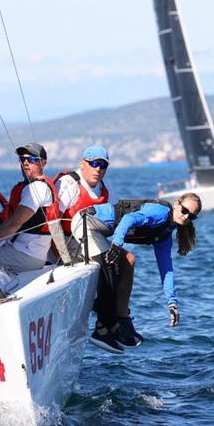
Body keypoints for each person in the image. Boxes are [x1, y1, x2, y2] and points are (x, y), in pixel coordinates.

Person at [81, 193, 202, 354]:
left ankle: (121, 320)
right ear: (177, 204)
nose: (186, 216)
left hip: (99, 232)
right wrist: (117, 244)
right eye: (184, 210)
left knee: (129, 261)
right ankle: (101, 330)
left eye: (191, 216)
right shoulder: (160, 213)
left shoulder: (165, 233)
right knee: (111, 266)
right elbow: (128, 219)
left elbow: (166, 268)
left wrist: (172, 303)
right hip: (87, 223)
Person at [56, 145, 120, 344]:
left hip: (90, 242)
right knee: (106, 264)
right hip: (65, 245)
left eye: (103, 165)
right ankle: (105, 324)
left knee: (127, 260)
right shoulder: (68, 183)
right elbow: (52, 221)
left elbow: (115, 220)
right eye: (94, 164)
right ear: (82, 164)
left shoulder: (106, 190)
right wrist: (63, 258)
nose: (98, 169)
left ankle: (117, 320)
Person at [0, 143, 60, 274]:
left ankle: (0, 292)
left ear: (43, 163)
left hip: (28, 255)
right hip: (22, 250)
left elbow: (14, 225)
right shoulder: (29, 187)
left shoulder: (37, 188)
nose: (25, 163)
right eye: (22, 159)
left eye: (31, 159)